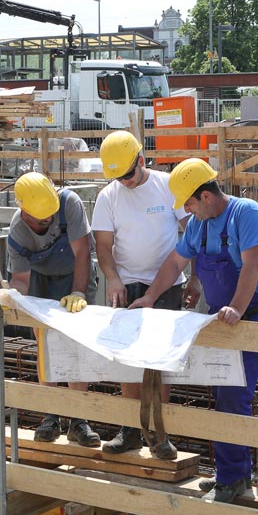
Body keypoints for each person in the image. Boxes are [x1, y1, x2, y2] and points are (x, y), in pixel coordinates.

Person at [129, 159, 258, 504]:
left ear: (207, 196)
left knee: (235, 397)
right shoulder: (200, 224)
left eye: (190, 203)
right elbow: (175, 262)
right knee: (222, 393)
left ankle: (233, 478)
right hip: (220, 316)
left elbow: (252, 264)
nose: (187, 210)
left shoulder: (247, 213)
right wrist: (150, 297)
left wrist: (238, 309)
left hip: (252, 314)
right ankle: (232, 475)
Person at [92, 131, 187, 461]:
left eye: (128, 175)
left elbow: (191, 232)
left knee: (160, 363)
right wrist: (114, 280)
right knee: (128, 362)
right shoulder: (109, 196)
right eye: (118, 177)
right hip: (128, 287)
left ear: (142, 162)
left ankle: (160, 434)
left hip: (169, 286)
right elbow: (103, 247)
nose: (125, 182)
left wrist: (197, 279)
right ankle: (132, 430)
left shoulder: (167, 185)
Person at [7, 172, 101, 447]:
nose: (48, 220)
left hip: (75, 274)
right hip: (40, 280)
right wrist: (15, 300)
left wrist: (78, 292)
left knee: (77, 345)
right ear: (25, 212)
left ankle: (78, 420)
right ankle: (51, 416)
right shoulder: (17, 233)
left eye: (51, 216)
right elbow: (22, 280)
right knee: (46, 345)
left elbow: (83, 253)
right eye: (41, 219)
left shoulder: (69, 204)